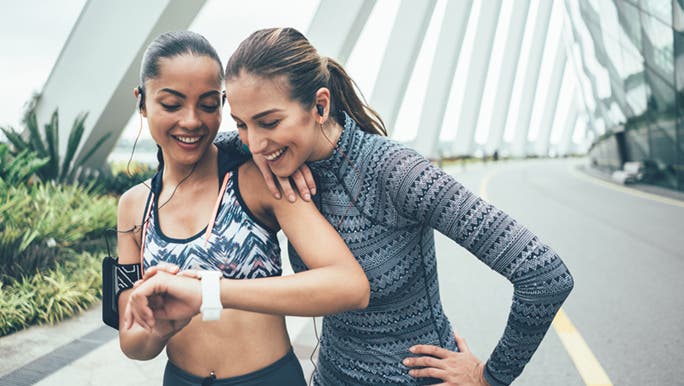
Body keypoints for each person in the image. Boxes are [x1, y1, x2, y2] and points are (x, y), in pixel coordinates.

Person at [132, 27, 574, 386]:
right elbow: (192, 146)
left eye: (269, 123)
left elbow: (544, 274)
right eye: (243, 124)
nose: (255, 142)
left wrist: (491, 377)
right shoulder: (261, 154)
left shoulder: (396, 172)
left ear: (320, 105)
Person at [116, 30, 370, 386]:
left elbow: (348, 285)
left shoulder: (256, 181)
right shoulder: (133, 207)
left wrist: (209, 291)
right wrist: (158, 329)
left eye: (207, 105)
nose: (191, 121)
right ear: (142, 102)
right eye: (171, 104)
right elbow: (132, 342)